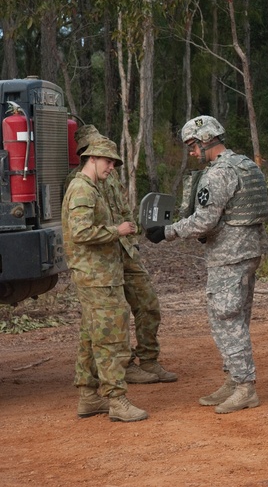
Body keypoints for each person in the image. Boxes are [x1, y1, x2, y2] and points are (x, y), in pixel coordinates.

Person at [145, 116, 268, 414]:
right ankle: (233, 380)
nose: (191, 153)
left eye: (192, 146)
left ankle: (244, 387)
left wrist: (167, 232)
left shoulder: (217, 174)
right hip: (250, 251)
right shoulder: (246, 165)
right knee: (237, 317)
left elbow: (204, 221)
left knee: (226, 319)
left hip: (229, 256)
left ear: (206, 140)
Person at [68, 124, 176, 386]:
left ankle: (148, 359)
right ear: (86, 153)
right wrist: (116, 232)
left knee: (148, 304)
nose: (108, 162)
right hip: (102, 258)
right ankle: (123, 367)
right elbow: (80, 229)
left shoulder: (110, 175)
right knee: (111, 317)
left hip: (124, 250)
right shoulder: (79, 183)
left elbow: (125, 209)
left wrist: (131, 240)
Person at [64, 137, 148, 422]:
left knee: (91, 335)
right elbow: (81, 233)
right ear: (92, 159)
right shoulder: (82, 190)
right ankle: (116, 399)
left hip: (100, 275)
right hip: (96, 277)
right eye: (108, 161)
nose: (111, 167)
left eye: (113, 162)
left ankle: (88, 396)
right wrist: (117, 230)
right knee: (111, 338)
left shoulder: (92, 188)